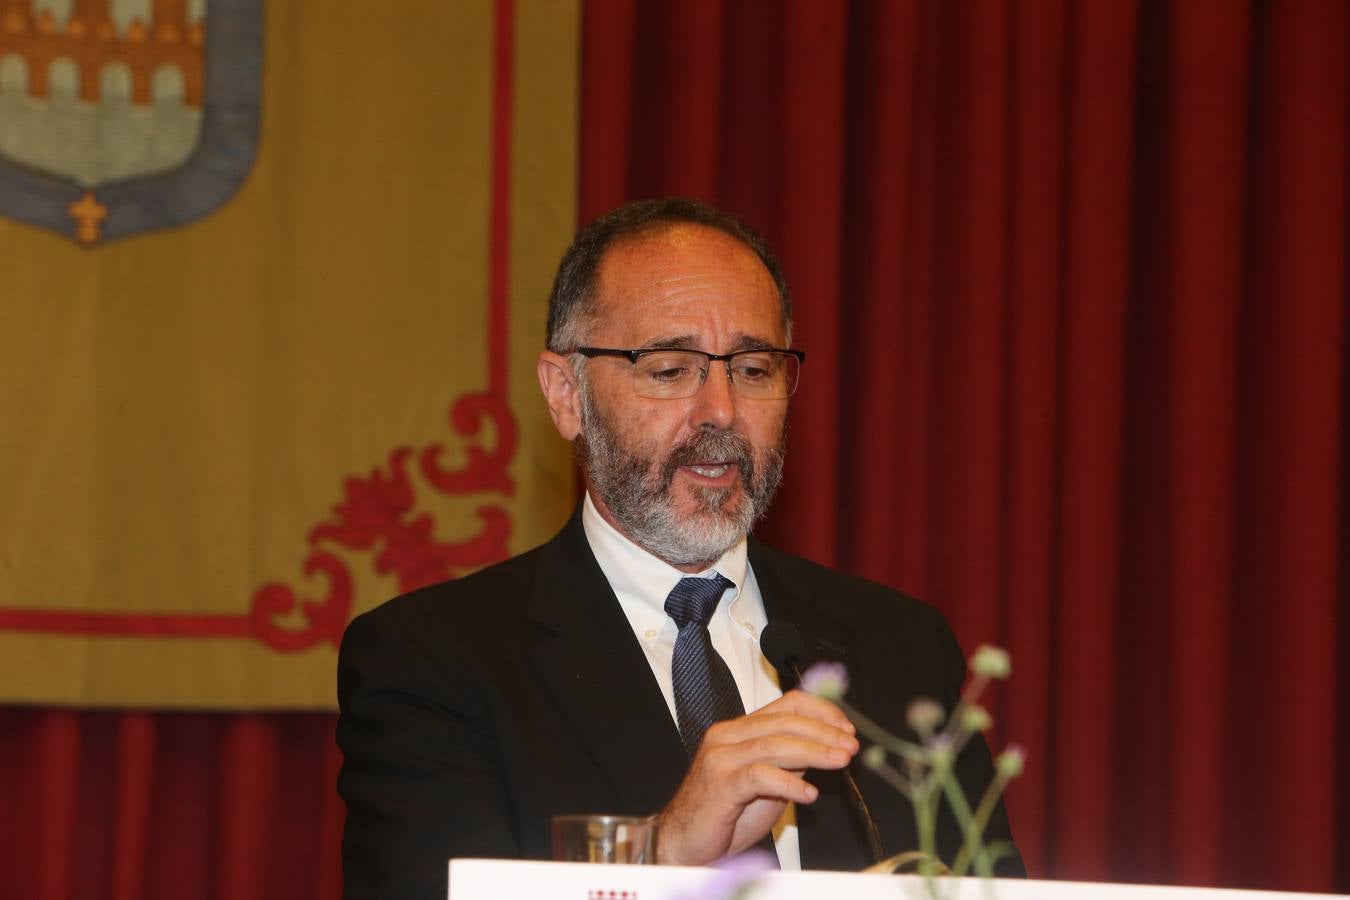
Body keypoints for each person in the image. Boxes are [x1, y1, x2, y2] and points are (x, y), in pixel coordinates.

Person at [336, 198, 1021, 899]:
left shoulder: (901, 648)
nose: (721, 410)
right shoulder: (433, 663)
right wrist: (665, 853)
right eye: (670, 369)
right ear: (566, 394)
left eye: (753, 370)